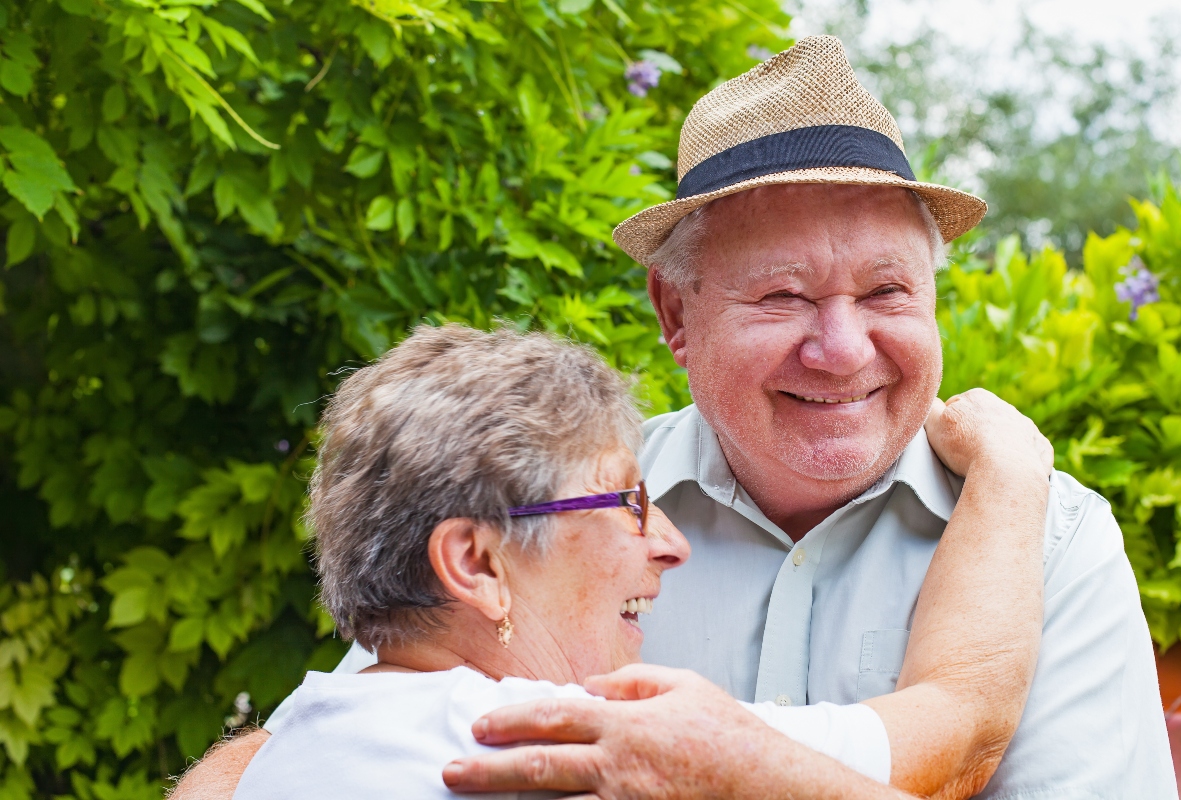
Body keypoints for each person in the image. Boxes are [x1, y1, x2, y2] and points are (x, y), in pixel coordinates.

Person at [174, 323, 1052, 799]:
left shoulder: (304, 737)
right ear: (476, 564)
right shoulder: (555, 754)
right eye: (625, 502)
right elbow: (960, 716)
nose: (672, 541)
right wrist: (1014, 476)